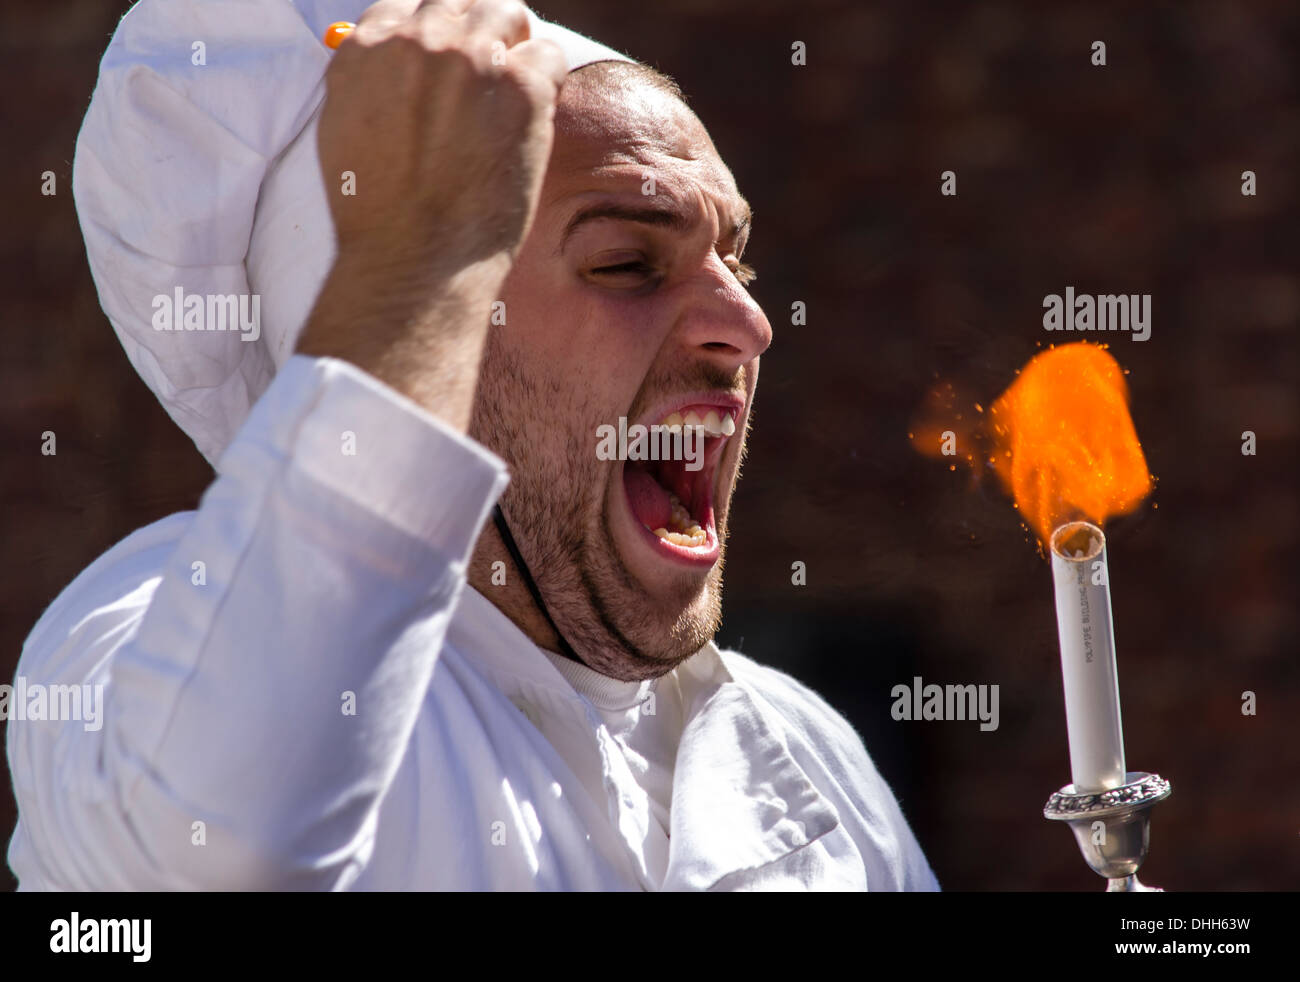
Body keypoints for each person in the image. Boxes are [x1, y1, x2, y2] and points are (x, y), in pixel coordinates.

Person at [6, 0, 940, 891]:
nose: (748, 325)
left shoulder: (807, 752)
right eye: (627, 263)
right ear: (423, 326)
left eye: (736, 261)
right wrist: (414, 252)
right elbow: (225, 858)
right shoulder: (148, 629)